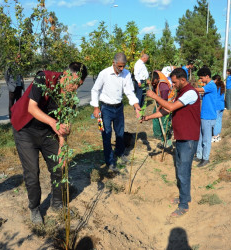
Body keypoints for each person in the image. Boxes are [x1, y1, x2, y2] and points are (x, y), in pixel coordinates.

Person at [11, 62, 88, 224]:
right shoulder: (44, 78)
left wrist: (62, 146)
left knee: (60, 166)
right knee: (32, 172)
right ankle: (34, 208)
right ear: (65, 74)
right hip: (25, 130)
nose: (74, 88)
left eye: (78, 85)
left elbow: (64, 125)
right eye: (73, 83)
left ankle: (57, 203)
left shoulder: (70, 97)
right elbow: (32, 108)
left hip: (48, 132)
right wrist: (54, 123)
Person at [141, 68, 200, 217]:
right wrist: (149, 117)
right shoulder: (181, 92)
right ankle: (184, 197)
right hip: (181, 137)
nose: (172, 85)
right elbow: (167, 110)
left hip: (189, 139)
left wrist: (155, 96)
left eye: (174, 82)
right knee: (181, 168)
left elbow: (171, 107)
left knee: (183, 171)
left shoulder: (190, 93)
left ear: (182, 80)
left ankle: (184, 205)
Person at [90, 53, 141, 171]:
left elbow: (129, 91)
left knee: (120, 132)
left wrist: (136, 104)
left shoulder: (126, 74)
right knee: (106, 134)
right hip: (106, 109)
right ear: (113, 63)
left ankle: (120, 152)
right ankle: (110, 161)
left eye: (124, 66)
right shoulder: (104, 73)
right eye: (120, 66)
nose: (122, 69)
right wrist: (96, 107)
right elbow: (95, 90)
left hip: (118, 108)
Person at [194, 67, 217, 167]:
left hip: (209, 117)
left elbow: (199, 90)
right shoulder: (208, 85)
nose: (201, 80)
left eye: (201, 78)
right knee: (200, 137)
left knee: (206, 139)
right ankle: (199, 155)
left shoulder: (211, 85)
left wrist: (188, 88)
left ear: (207, 76)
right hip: (204, 115)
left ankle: (205, 158)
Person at [151, 71, 175, 148]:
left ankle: (166, 140)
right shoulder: (155, 78)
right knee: (154, 115)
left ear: (157, 79)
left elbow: (164, 101)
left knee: (165, 123)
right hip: (160, 102)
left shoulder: (163, 87)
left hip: (167, 104)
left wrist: (159, 108)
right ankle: (158, 134)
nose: (153, 84)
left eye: (154, 83)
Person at [212, 75, 225, 143]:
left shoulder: (215, 87)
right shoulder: (222, 85)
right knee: (219, 121)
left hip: (216, 106)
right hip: (221, 105)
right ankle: (218, 135)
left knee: (216, 121)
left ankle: (215, 136)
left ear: (215, 80)